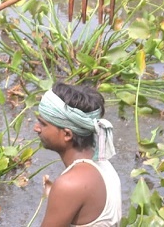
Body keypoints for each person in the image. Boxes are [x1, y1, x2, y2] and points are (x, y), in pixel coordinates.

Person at [34, 82, 121, 227]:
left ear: (67, 134)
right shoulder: (103, 163)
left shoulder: (70, 184)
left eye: (43, 124)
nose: (36, 128)